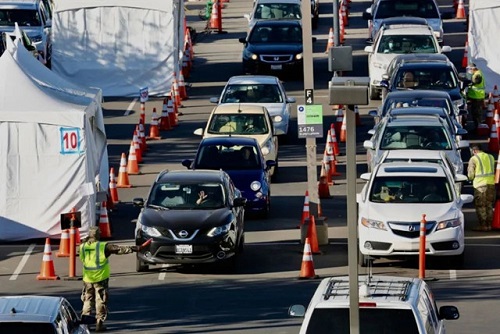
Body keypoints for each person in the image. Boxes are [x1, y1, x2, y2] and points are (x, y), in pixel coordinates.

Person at [79, 227, 141, 332]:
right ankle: (99, 323)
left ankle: (86, 323)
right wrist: (134, 248)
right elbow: (118, 249)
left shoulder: (82, 247)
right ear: (98, 235)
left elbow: (82, 259)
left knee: (87, 301)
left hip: (87, 278)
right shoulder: (103, 246)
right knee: (100, 301)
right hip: (100, 278)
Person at [468, 144, 495, 231]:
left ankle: (483, 225)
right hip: (491, 184)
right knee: (489, 205)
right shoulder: (490, 157)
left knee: (481, 206)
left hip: (480, 186)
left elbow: (471, 175)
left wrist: (469, 178)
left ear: (474, 150)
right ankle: (489, 225)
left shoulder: (474, 159)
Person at [467, 64, 486, 133]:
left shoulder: (477, 75)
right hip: (476, 96)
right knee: (476, 113)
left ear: (473, 68)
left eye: (470, 69)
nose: (469, 71)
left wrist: (469, 82)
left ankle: (478, 129)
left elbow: (476, 82)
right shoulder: (477, 73)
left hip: (477, 97)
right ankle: (477, 127)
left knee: (476, 114)